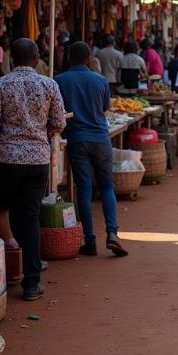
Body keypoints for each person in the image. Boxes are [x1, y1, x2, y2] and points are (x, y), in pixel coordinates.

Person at [0, 39, 66, 301]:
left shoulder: (0, 84)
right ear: (35, 58)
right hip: (37, 160)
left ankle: (5, 273)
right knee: (30, 218)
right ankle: (31, 284)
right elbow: (58, 123)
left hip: (7, 158)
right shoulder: (49, 84)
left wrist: (5, 144)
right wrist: (38, 134)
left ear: (13, 58)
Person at [56, 42, 128, 258]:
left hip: (77, 139)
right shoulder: (100, 80)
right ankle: (112, 233)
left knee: (84, 189)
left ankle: (90, 240)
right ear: (89, 58)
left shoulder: (59, 80)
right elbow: (104, 109)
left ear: (69, 57)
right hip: (100, 137)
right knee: (106, 186)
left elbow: (57, 113)